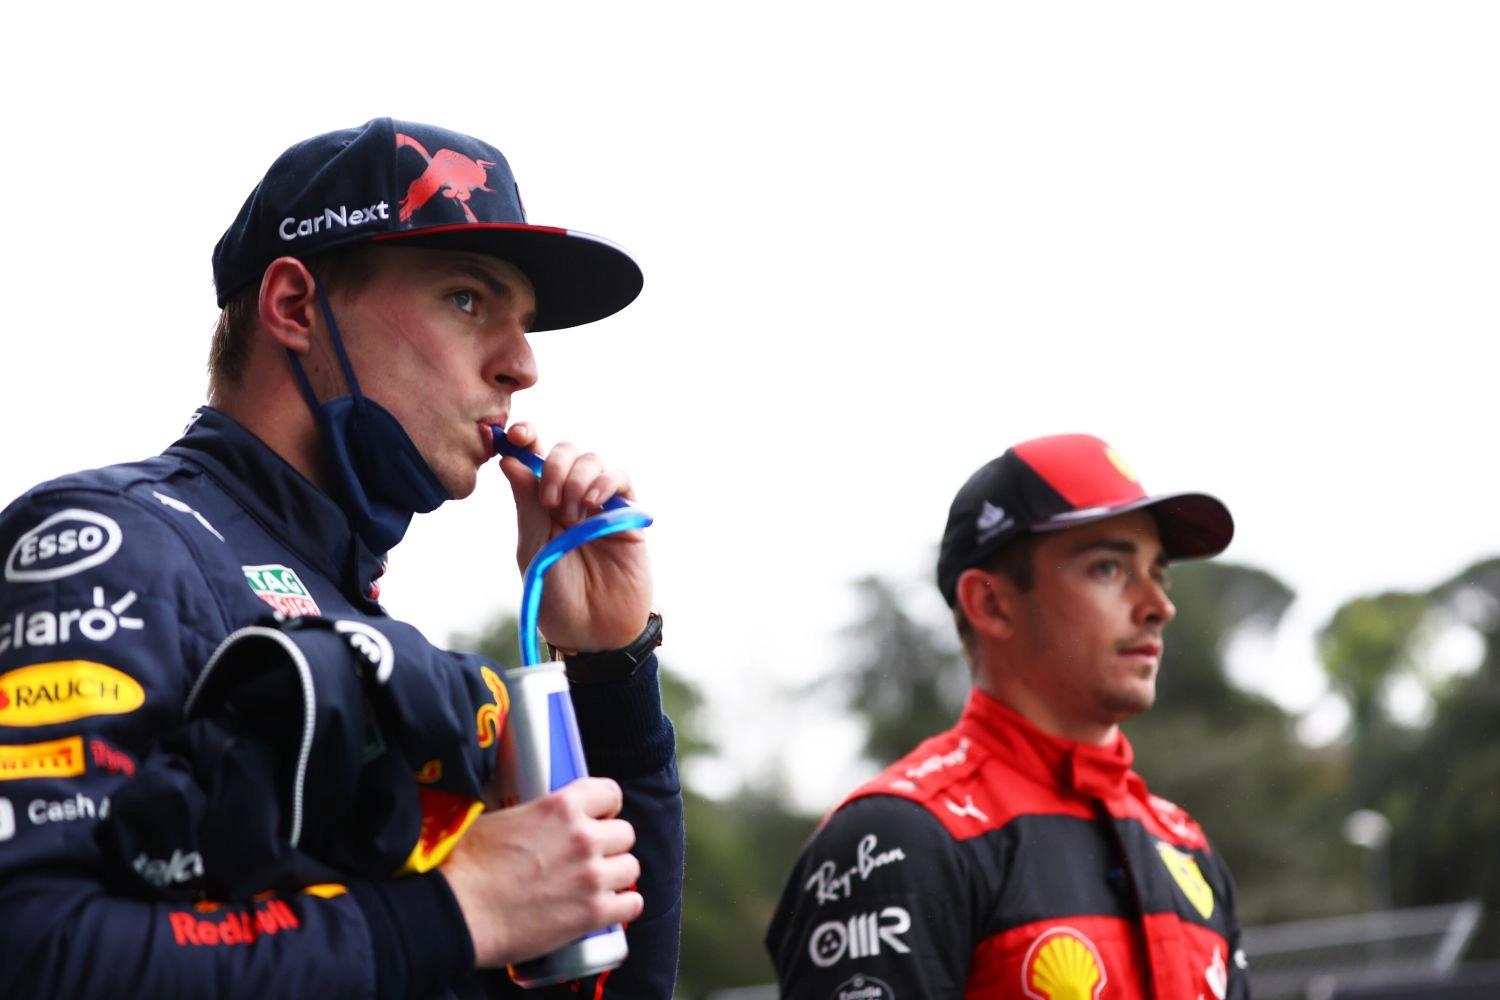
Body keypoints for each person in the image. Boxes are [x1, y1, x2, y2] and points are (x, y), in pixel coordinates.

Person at [0, 118, 682, 999]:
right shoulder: (112, 547)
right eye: (468, 299)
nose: (522, 366)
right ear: (293, 307)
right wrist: (454, 911)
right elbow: (29, 949)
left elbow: (613, 989)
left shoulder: (370, 622)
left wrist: (609, 670)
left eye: (524, 325)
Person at [765, 433, 1250, 999]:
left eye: (1157, 573)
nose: (1158, 605)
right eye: (1108, 568)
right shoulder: (897, 838)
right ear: (991, 604)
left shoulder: (1183, 844)